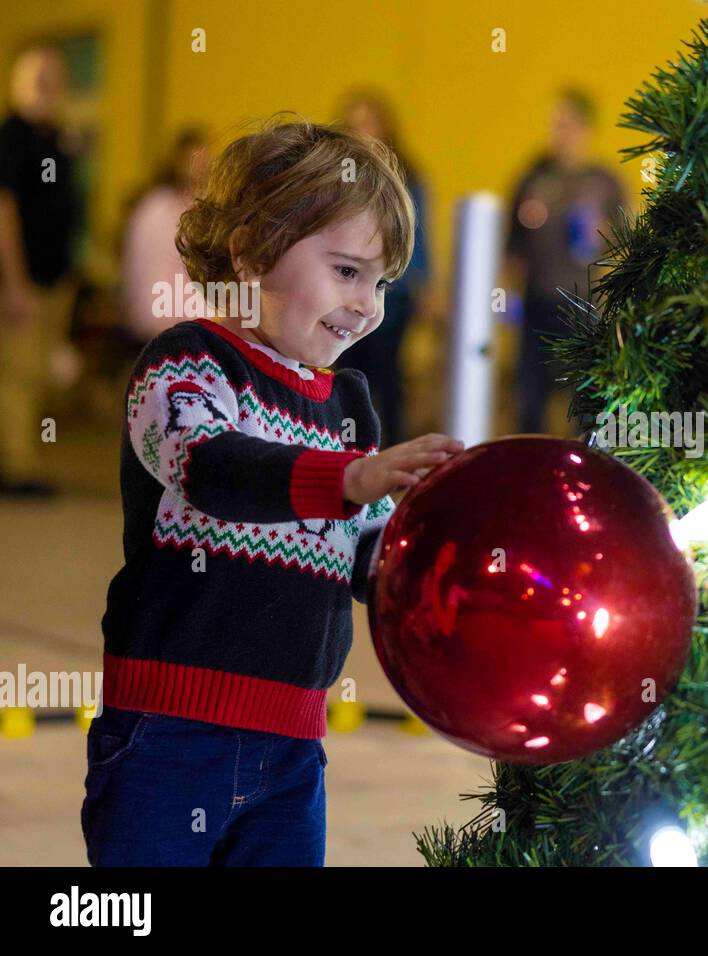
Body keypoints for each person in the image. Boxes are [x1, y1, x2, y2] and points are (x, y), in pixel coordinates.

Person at [83, 118, 463, 866]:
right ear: (252, 252)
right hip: (168, 734)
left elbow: (374, 558)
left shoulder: (349, 403)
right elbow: (213, 468)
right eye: (348, 271)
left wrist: (450, 575)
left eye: (382, 282)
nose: (368, 306)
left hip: (295, 746)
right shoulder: (187, 364)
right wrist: (348, 480)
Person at [504, 88, 625, 434]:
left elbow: (623, 247)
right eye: (555, 124)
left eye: (568, 124)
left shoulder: (604, 183)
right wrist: (504, 302)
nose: (560, 133)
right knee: (530, 400)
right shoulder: (532, 179)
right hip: (538, 304)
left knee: (587, 402)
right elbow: (513, 248)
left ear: (586, 129)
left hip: (586, 307)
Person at [0, 44, 79, 497]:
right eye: (38, 78)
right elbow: (5, 210)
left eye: (55, 78)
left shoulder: (58, 138)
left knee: (40, 375)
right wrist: (15, 283)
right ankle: (17, 471)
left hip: (54, 278)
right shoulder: (11, 136)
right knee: (20, 375)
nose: (49, 87)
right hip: (22, 280)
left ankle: (24, 459)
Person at [336, 90, 432, 445]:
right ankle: (347, 446)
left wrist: (423, 287)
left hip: (394, 294)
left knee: (388, 375)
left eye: (369, 123)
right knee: (347, 374)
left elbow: (419, 237)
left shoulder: (407, 177)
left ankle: (392, 444)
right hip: (345, 293)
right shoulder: (337, 177)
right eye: (355, 124)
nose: (362, 132)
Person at [120, 126, 211, 345]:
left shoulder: (192, 205)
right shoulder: (157, 208)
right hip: (161, 315)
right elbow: (155, 272)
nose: (202, 167)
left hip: (172, 311)